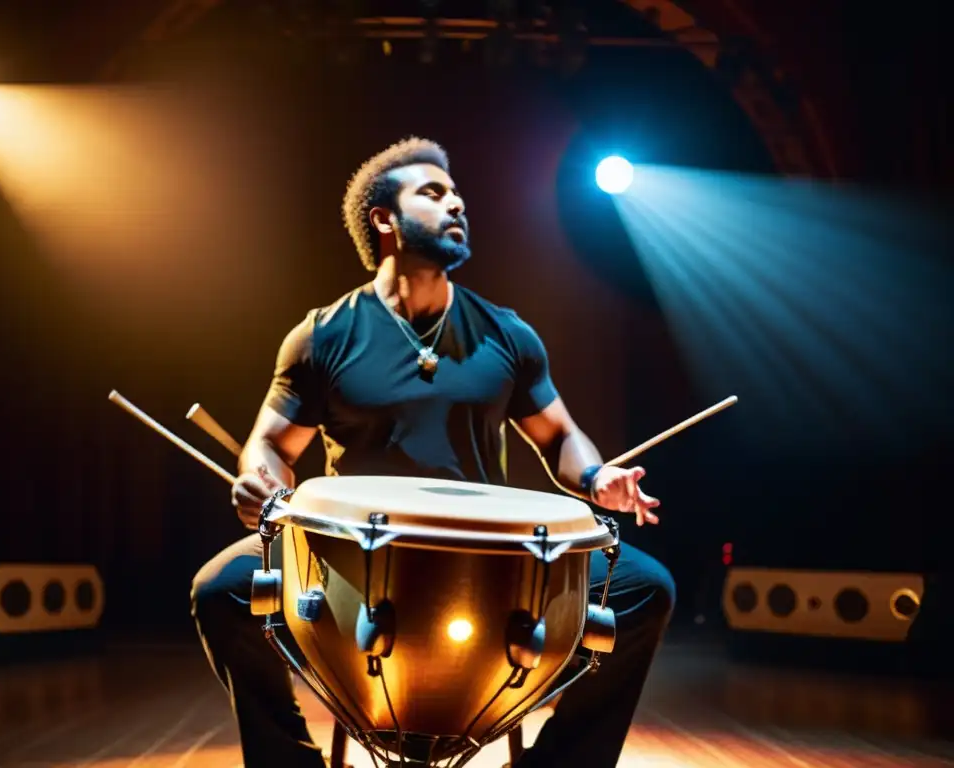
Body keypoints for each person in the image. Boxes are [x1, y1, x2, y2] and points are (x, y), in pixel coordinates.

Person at [191, 137, 676, 767]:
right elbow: (270, 444)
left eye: (458, 195)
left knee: (645, 589)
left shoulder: (506, 332)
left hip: (488, 557)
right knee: (221, 588)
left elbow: (558, 436)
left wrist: (596, 475)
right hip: (348, 557)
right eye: (434, 193)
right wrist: (258, 482)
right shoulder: (323, 334)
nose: (458, 204)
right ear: (384, 218)